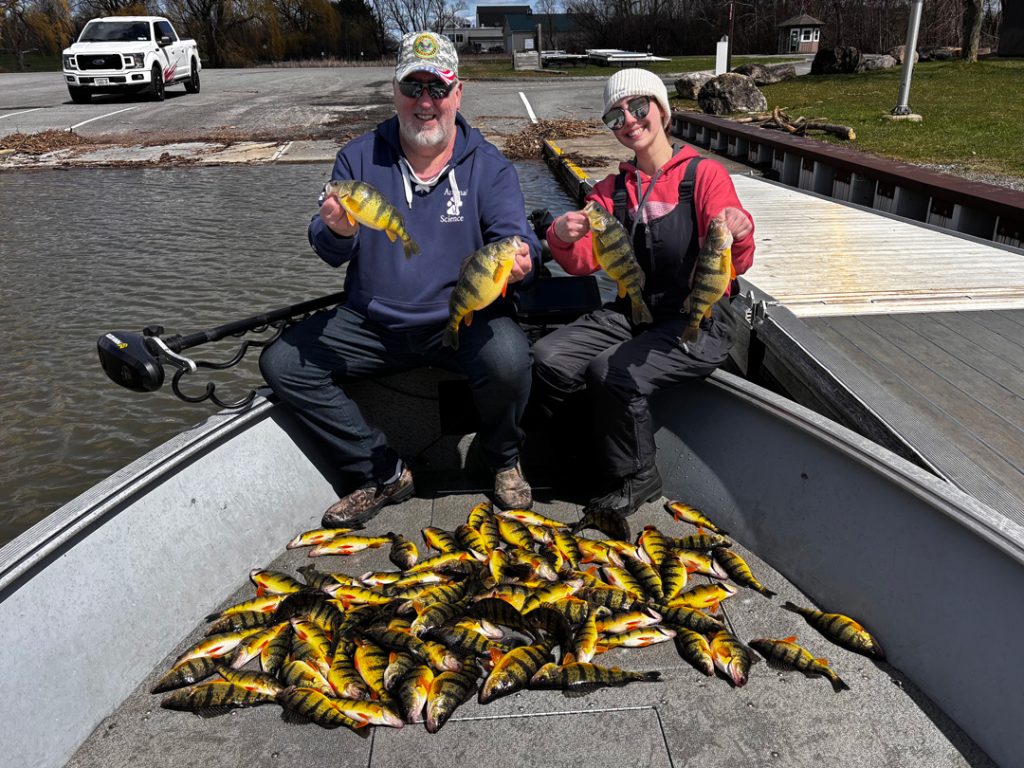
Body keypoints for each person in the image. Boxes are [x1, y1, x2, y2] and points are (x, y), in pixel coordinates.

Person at [260, 31, 541, 527]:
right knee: (284, 363)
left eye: (437, 89)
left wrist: (523, 261)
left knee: (510, 357)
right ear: (394, 92)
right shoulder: (358, 158)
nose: (425, 102)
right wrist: (337, 231)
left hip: (462, 318)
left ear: (458, 93)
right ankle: (384, 469)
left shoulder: (490, 165)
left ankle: (503, 460)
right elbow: (326, 250)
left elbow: (518, 238)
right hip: (371, 323)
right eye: (413, 88)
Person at [532, 68, 755, 519]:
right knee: (548, 357)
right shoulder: (608, 192)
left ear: (661, 111)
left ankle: (639, 474)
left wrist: (740, 229)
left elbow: (738, 257)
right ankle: (585, 458)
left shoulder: (703, 175)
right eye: (615, 116)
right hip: (636, 310)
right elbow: (581, 263)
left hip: (700, 318)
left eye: (638, 108)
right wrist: (559, 233)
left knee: (611, 372)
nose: (629, 121)